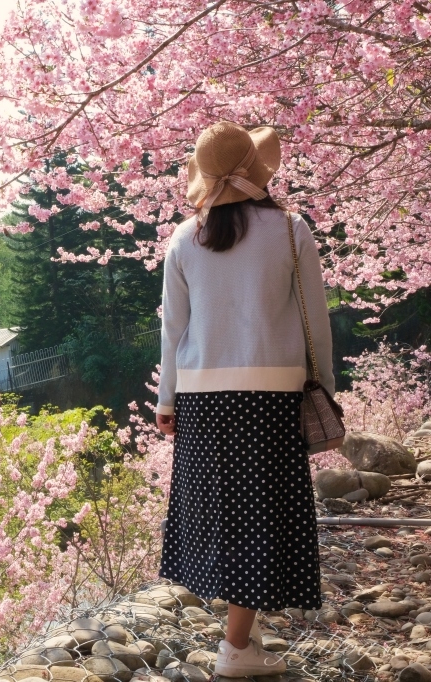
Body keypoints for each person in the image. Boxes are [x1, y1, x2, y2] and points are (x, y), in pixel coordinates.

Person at [155, 121, 334, 678]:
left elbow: (173, 329)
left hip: (203, 396)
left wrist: (167, 400)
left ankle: (242, 635)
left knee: (220, 515)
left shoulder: (185, 237)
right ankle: (235, 650)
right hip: (272, 395)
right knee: (263, 516)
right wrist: (322, 384)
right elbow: (316, 323)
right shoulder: (290, 228)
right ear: (258, 172)